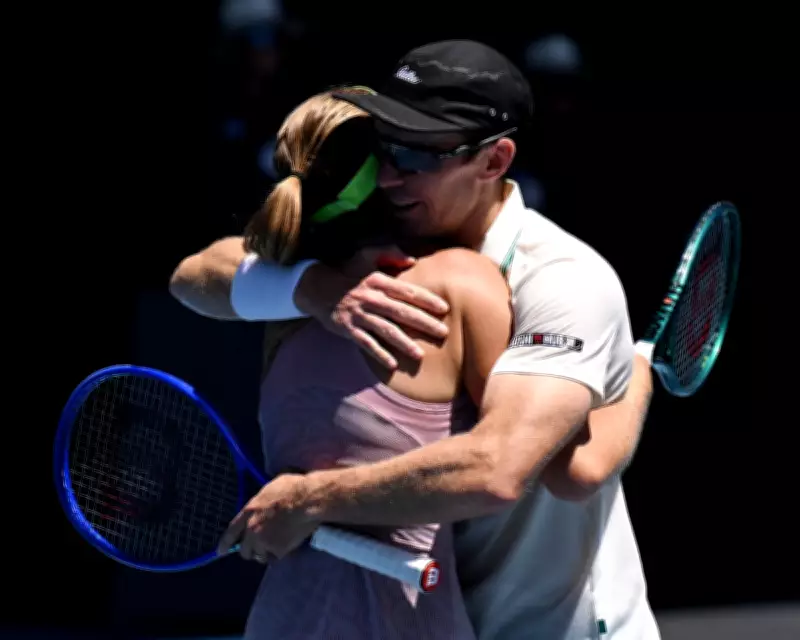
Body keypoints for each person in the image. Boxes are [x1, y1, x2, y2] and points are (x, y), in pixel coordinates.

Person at [172, 41, 659, 639]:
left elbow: (507, 470)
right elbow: (194, 277)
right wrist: (313, 288)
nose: (393, 174)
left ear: (494, 161)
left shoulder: (565, 280)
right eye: (385, 147)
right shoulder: (364, 248)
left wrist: (309, 500)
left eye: (420, 155)